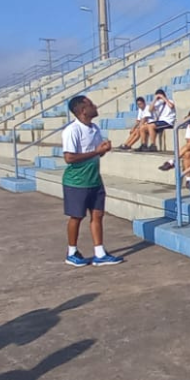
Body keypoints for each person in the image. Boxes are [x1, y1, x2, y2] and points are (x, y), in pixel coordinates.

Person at [60, 94, 122, 266]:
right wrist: (96, 152)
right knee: (76, 216)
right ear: (82, 110)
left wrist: (103, 149)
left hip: (94, 179)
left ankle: (99, 253)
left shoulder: (94, 128)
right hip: (77, 181)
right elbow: (69, 158)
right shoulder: (72, 130)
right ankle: (72, 252)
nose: (95, 106)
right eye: (91, 104)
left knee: (98, 215)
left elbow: (95, 153)